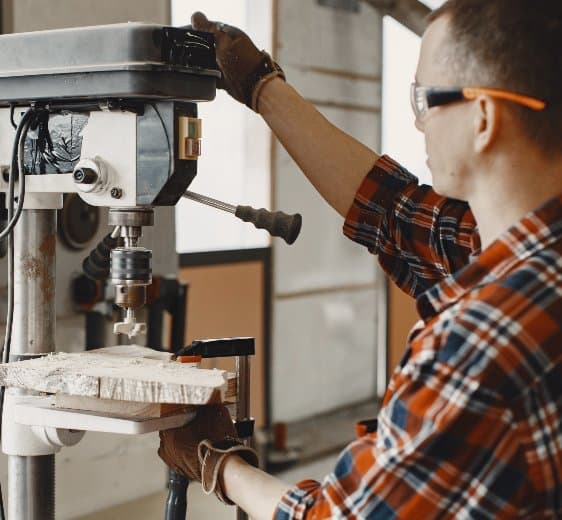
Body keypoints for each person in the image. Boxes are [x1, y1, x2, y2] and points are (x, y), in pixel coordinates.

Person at [158, 1, 562, 518]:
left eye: (424, 100)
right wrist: (261, 85)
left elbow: (342, 515)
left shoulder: (477, 343)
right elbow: (394, 212)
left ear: (483, 118)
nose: (419, 125)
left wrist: (219, 464)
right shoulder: (528, 257)